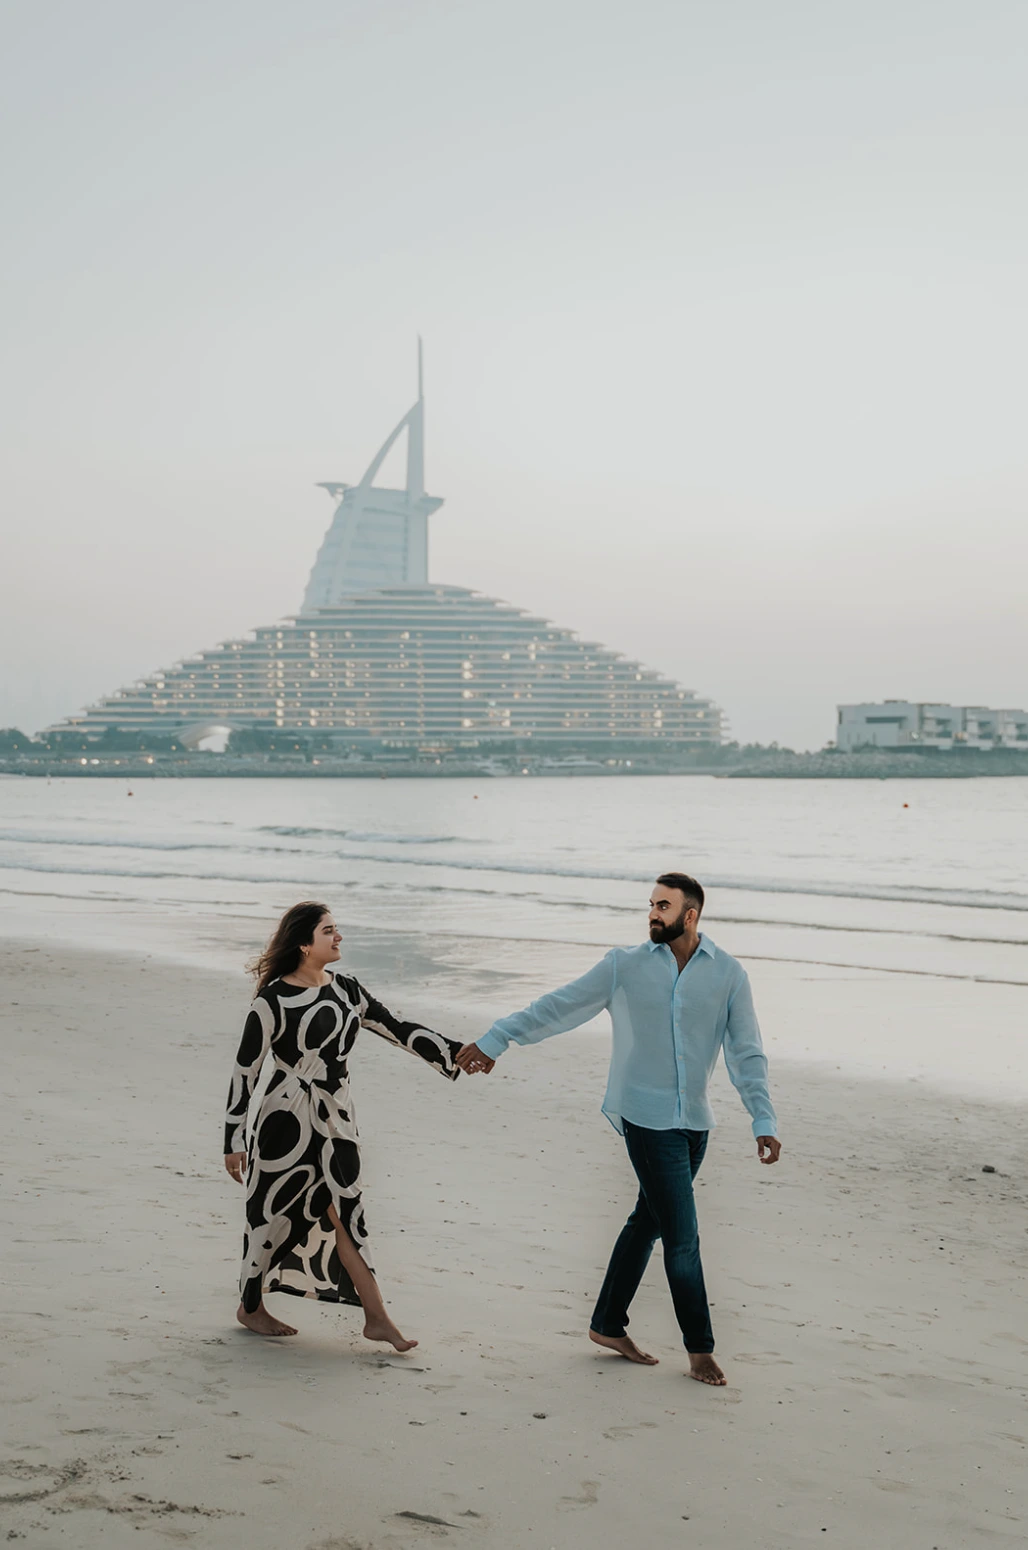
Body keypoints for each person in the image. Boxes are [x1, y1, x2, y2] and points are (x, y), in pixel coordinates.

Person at [456, 872, 781, 1386]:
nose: (652, 913)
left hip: (695, 1121)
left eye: (664, 906)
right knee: (682, 1236)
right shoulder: (624, 966)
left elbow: (746, 1051)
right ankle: (700, 1349)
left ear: (690, 915)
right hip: (645, 1117)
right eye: (651, 904)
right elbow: (559, 1006)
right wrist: (499, 1038)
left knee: (647, 1221)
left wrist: (762, 1117)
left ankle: (608, 1324)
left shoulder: (729, 975)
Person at [224, 901, 463, 1349]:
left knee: (347, 1212)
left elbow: (397, 1028)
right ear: (303, 943)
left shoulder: (348, 991)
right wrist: (233, 1139)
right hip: (284, 1120)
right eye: (329, 931)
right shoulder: (272, 999)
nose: (338, 938)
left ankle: (377, 1319)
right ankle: (251, 1306)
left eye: (337, 930)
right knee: (270, 1216)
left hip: (337, 1118)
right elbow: (246, 1072)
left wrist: (455, 1053)